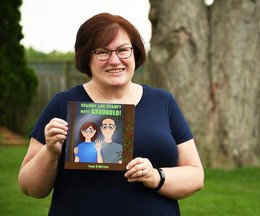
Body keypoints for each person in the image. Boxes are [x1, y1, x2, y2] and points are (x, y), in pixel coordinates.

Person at [18, 12, 204, 216]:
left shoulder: (163, 102)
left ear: (135, 53)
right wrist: (51, 152)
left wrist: (155, 176)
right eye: (103, 52)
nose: (115, 60)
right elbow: (30, 187)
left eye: (123, 50)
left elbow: (196, 176)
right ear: (86, 57)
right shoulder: (62, 105)